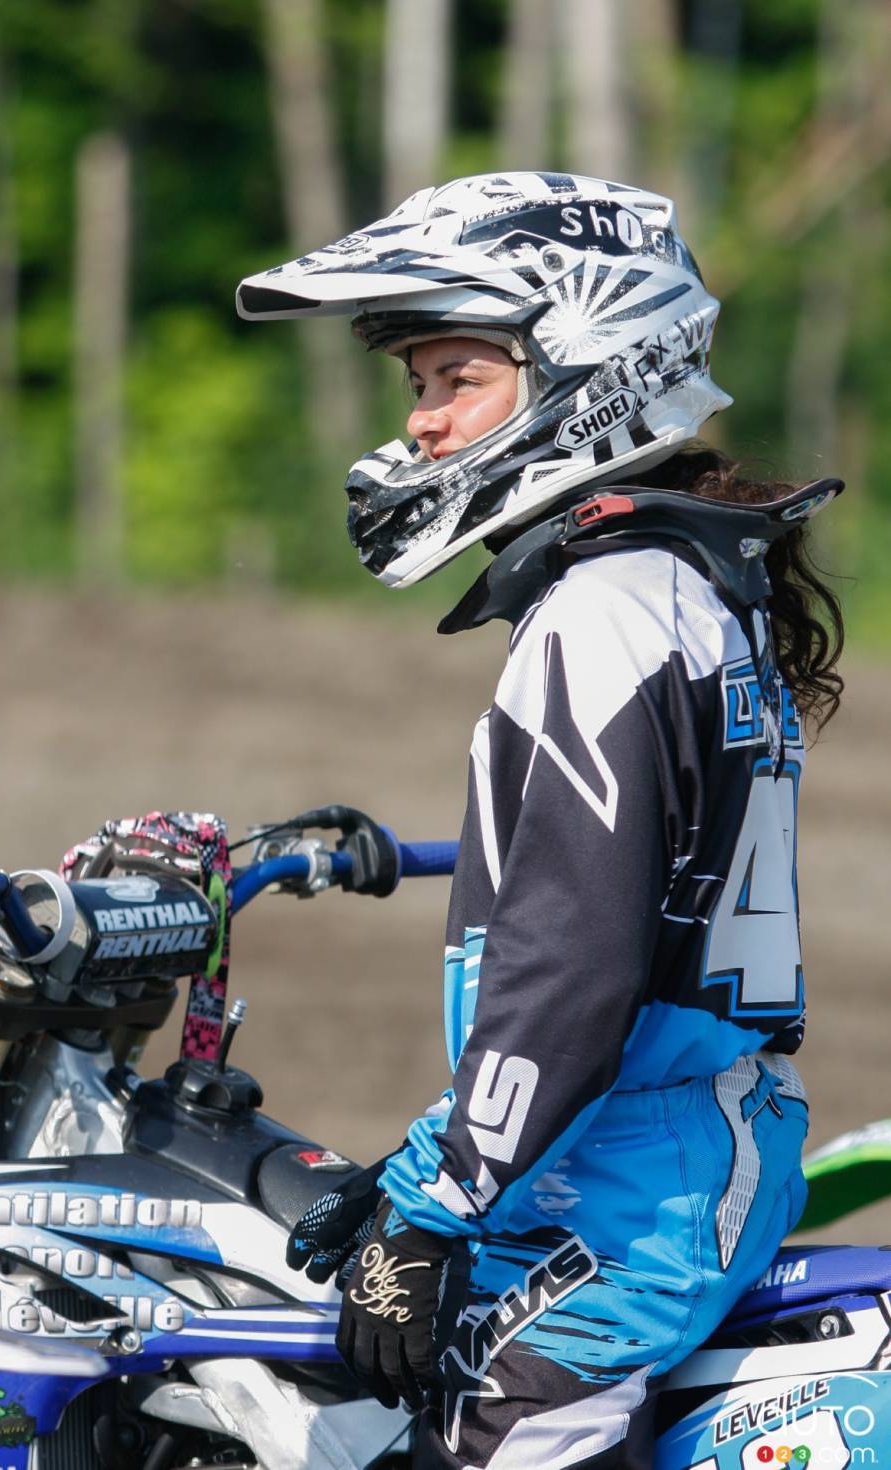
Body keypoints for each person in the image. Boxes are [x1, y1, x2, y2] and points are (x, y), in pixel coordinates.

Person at [236, 173, 844, 1469]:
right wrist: (423, 1162)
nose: (425, 423)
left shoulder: (606, 614)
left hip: (636, 1186)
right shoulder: (676, 582)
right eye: (418, 384)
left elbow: (573, 960)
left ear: (587, 367)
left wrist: (436, 1199)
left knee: (476, 1430)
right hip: (648, 1145)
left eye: (457, 377)